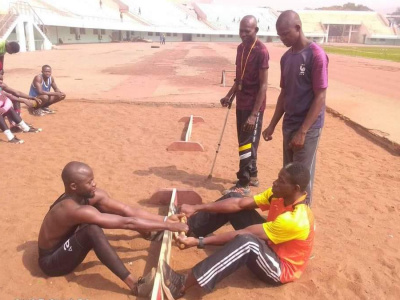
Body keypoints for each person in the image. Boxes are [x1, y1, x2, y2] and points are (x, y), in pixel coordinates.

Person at [162, 162, 314, 299]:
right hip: (271, 240)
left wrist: (199, 242)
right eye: (278, 178)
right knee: (234, 197)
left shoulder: (296, 219)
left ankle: (182, 284)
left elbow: (245, 233)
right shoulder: (278, 195)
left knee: (247, 242)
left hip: (279, 268)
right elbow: (240, 203)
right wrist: (195, 208)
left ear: (296, 189)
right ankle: (190, 227)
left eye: (282, 181)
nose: (275, 183)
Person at [37, 161, 188, 297]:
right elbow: (127, 223)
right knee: (92, 230)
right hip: (52, 261)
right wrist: (171, 226)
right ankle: (135, 285)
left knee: (99, 211)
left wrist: (164, 220)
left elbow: (126, 211)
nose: (94, 184)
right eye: (89, 182)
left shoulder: (88, 196)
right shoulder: (70, 209)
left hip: (68, 237)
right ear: (74, 186)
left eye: (93, 179)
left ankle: (148, 232)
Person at [262, 10, 328, 206]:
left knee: (301, 178)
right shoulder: (286, 58)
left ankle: (302, 226)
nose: (282, 38)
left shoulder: (316, 55)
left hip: (307, 128)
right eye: (279, 35)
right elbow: (284, 94)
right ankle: (288, 218)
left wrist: (303, 131)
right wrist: (272, 124)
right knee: (288, 176)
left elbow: (320, 96)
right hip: (289, 125)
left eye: (285, 34)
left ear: (298, 28)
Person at [220, 15, 269, 196]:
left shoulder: (262, 51)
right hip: (241, 102)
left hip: (254, 106)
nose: (242, 34)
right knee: (244, 142)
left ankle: (244, 183)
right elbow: (238, 79)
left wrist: (254, 114)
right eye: (240, 31)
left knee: (247, 144)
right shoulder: (241, 49)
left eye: (246, 31)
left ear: (255, 30)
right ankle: (253, 175)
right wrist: (229, 95)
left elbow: (263, 85)